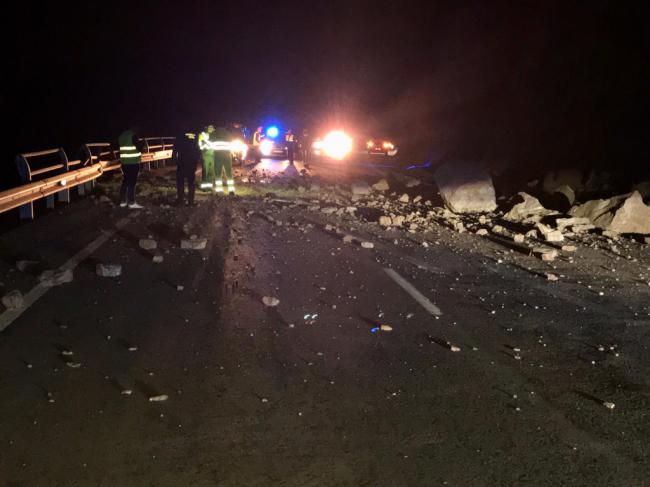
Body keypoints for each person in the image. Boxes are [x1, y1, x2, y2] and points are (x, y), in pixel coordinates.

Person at [118, 127, 143, 208]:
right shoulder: (133, 136)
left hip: (124, 163)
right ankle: (131, 202)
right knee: (132, 183)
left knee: (125, 181)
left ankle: (122, 201)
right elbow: (139, 148)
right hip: (133, 163)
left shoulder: (121, 136)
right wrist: (141, 144)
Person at [174, 131, 199, 206]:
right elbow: (197, 150)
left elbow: (175, 148)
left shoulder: (180, 136)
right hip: (191, 163)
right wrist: (196, 161)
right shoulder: (194, 137)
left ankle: (180, 200)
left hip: (181, 162)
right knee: (191, 183)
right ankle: (191, 202)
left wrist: (174, 159)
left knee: (180, 182)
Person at [212, 126, 236, 195]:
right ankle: (231, 191)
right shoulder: (228, 134)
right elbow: (232, 143)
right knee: (229, 174)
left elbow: (210, 144)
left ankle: (219, 191)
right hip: (227, 156)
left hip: (217, 156)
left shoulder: (214, 134)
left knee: (218, 174)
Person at [198, 125, 217, 190]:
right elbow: (200, 145)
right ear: (207, 128)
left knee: (211, 171)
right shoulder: (202, 134)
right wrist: (205, 146)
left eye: (212, 128)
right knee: (205, 171)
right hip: (205, 155)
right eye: (210, 127)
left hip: (212, 155)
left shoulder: (214, 135)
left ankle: (209, 186)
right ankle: (204, 187)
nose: (211, 129)